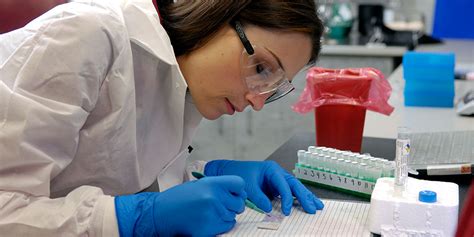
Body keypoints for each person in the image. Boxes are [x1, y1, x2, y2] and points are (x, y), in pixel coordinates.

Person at [0, 0, 325, 236]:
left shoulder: (183, 80)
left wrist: (202, 174)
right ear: (215, 11)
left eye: (273, 88)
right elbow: (6, 211)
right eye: (261, 69)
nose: (257, 101)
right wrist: (136, 218)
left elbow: (114, 170)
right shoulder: (87, 35)